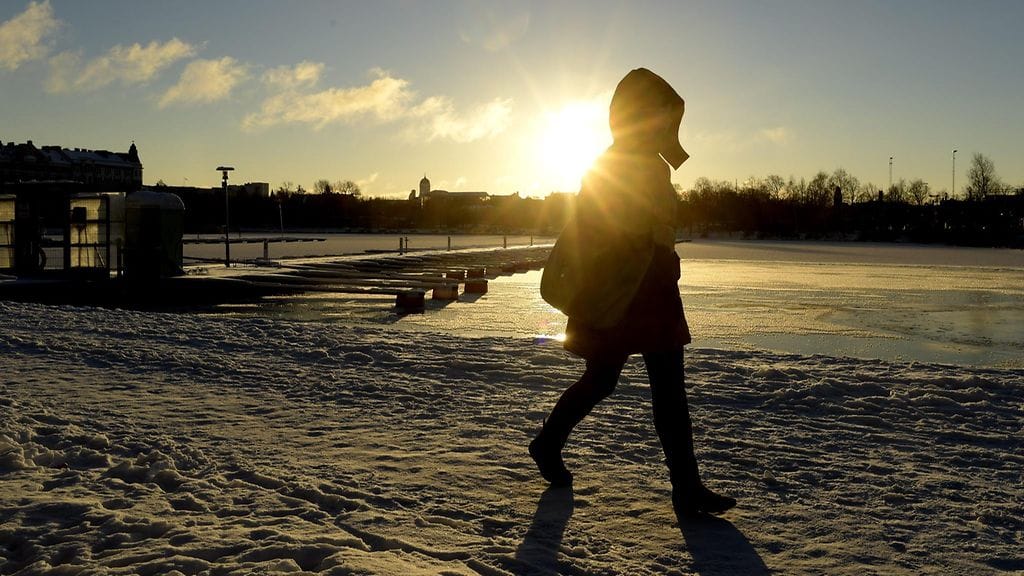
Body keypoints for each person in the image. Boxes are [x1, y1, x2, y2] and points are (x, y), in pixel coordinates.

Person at [530, 68, 736, 518]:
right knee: (606, 382)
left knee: (663, 390)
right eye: (660, 115)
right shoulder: (614, 163)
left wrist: (660, 253)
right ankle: (548, 443)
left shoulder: (648, 163)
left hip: (651, 289)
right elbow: (602, 227)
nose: (667, 125)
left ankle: (686, 488)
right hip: (621, 292)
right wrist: (647, 243)